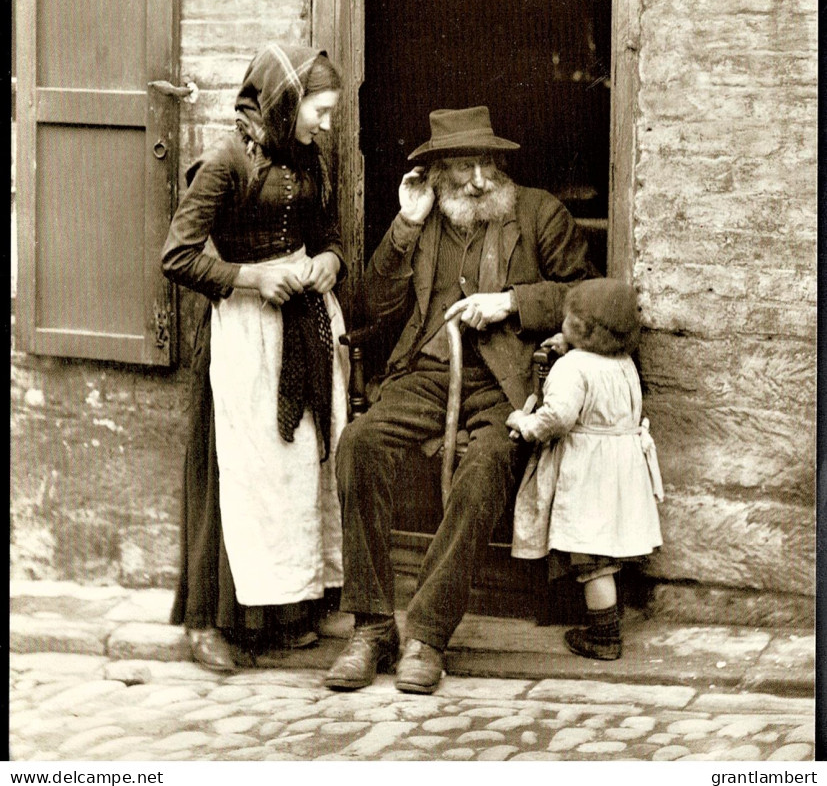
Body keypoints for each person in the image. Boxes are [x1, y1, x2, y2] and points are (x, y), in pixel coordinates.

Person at [325, 105, 597, 695]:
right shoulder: (422, 219)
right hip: (425, 373)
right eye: (462, 166)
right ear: (438, 174)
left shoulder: (537, 212)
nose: (477, 178)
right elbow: (373, 302)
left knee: (484, 470)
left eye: (488, 164)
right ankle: (373, 627)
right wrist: (402, 226)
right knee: (358, 444)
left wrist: (513, 303)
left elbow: (587, 295)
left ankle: (426, 634)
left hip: (505, 384)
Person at [162, 44, 349, 673]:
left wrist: (330, 260)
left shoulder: (308, 157)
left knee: (292, 471)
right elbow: (178, 257)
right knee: (233, 475)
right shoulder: (224, 163)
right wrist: (251, 278)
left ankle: (278, 615)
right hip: (244, 332)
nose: (324, 123)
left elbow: (326, 235)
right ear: (286, 102)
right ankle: (208, 623)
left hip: (302, 324)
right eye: (318, 111)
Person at [507, 278, 664, 661]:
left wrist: (525, 424)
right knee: (605, 549)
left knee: (593, 561)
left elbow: (559, 416)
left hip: (589, 469)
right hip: (621, 469)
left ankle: (604, 636)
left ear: (583, 329)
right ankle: (606, 625)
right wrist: (569, 347)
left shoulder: (574, 368)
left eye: (569, 320)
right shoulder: (623, 362)